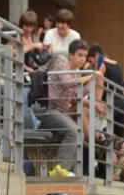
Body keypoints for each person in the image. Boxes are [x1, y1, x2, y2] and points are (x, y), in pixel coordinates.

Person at [34, 39, 92, 178]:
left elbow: (76, 94)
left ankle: (61, 170)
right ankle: (60, 169)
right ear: (70, 55)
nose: (82, 59)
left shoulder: (75, 74)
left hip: (55, 109)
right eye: (79, 55)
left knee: (78, 133)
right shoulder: (62, 67)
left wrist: (90, 85)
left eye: (85, 56)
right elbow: (67, 84)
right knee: (73, 132)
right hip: (45, 107)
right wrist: (91, 75)